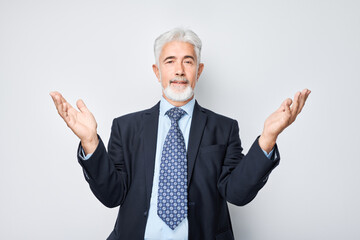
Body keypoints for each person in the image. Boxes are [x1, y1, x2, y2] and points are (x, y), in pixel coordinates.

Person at [50, 28, 310, 240]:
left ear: (199, 70)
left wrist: (267, 139)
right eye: (169, 61)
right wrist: (91, 142)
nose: (179, 70)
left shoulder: (224, 128)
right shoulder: (126, 127)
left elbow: (237, 194)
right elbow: (112, 195)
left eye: (188, 61)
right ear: (157, 71)